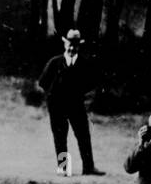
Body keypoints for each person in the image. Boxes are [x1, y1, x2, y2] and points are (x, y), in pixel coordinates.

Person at [37, 29, 104, 175]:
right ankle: (63, 168)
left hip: (76, 106)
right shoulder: (54, 63)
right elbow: (43, 82)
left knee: (83, 136)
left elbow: (92, 84)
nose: (72, 48)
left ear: (79, 46)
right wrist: (52, 98)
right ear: (65, 45)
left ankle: (88, 168)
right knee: (60, 138)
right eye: (70, 45)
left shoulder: (85, 64)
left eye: (75, 46)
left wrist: (82, 97)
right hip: (57, 108)